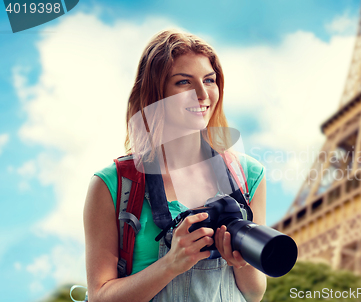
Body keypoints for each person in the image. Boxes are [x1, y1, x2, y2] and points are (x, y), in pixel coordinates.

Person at [84, 30, 267, 302]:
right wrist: (171, 264)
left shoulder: (248, 175)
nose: (202, 94)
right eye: (184, 82)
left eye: (209, 80)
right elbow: (100, 296)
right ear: (156, 93)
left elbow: (253, 292)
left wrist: (239, 261)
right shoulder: (113, 184)